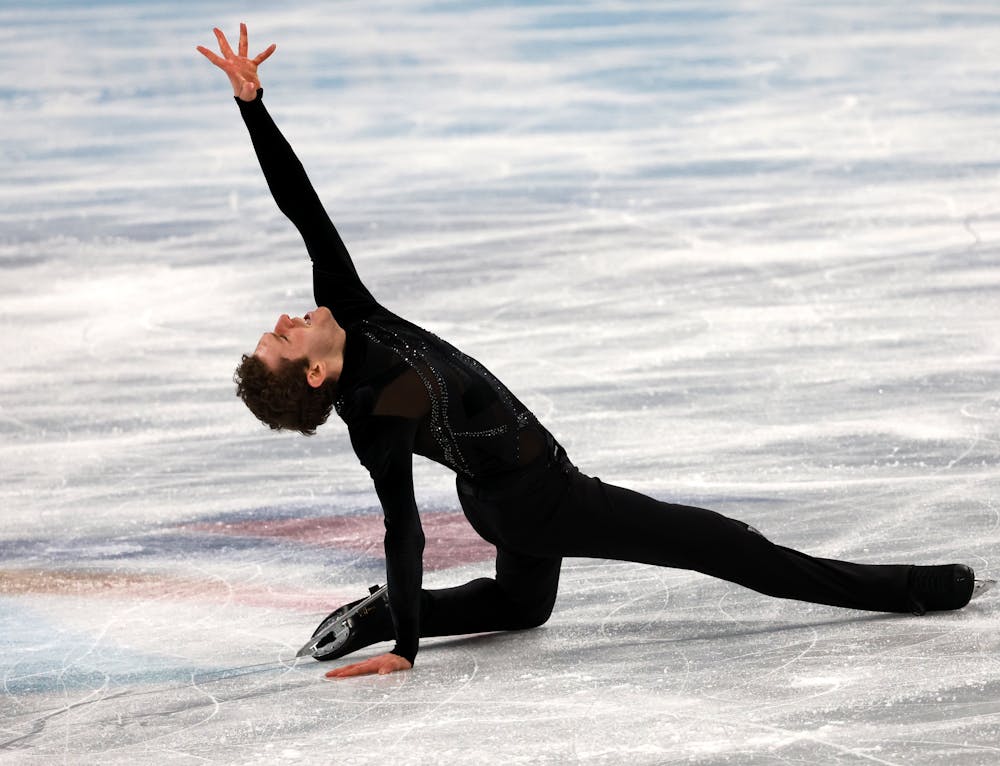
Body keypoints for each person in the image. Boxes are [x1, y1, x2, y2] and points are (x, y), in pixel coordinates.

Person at [198, 25, 991, 679]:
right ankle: (915, 590)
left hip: (508, 493)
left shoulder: (354, 311)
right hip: (538, 500)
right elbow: (402, 528)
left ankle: (378, 613)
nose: (286, 314)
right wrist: (406, 650)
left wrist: (253, 107)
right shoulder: (376, 413)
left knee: (522, 609)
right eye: (283, 334)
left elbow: (300, 204)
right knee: (723, 544)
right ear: (312, 370)